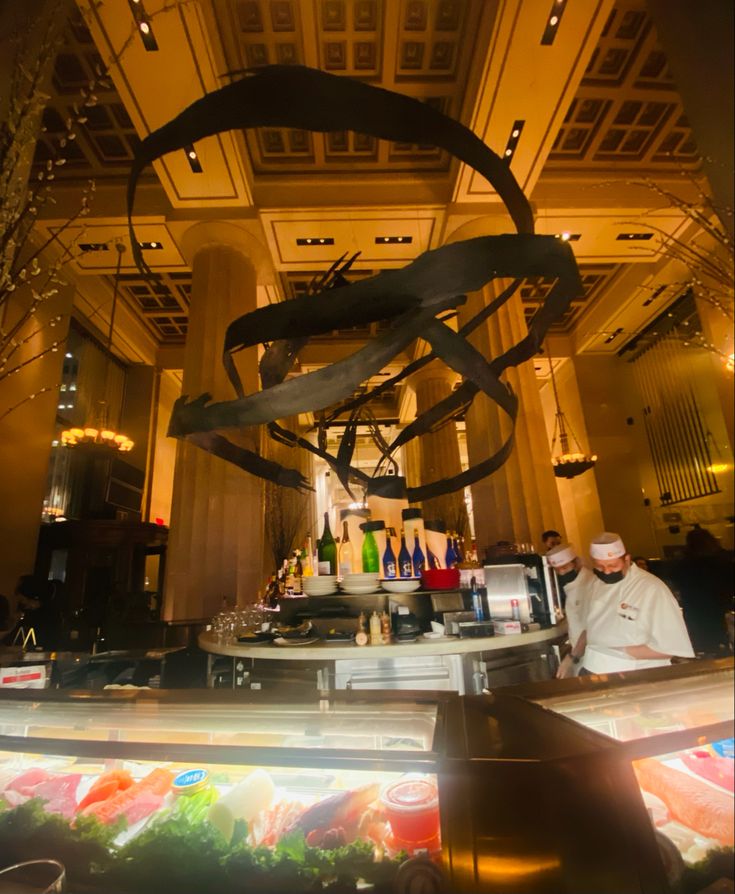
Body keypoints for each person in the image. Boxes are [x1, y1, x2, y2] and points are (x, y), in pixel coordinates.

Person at [569, 532, 693, 676]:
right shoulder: (596, 583)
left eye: (613, 566)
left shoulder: (650, 588)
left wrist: (621, 652)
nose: (607, 572)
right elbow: (591, 628)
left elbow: (671, 647)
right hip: (593, 669)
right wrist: (572, 658)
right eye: (600, 567)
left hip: (634, 674)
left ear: (627, 560)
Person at [672, 527, 733, 656]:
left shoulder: (682, 564)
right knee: (722, 640)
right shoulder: (723, 560)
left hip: (694, 609)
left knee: (701, 643)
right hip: (719, 607)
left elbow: (676, 583)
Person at [548, 544, 595, 679]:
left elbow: (590, 627)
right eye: (557, 570)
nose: (562, 573)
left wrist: (572, 657)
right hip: (580, 655)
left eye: (565, 568)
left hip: (589, 657)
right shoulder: (569, 586)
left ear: (577, 563)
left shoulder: (590, 584)